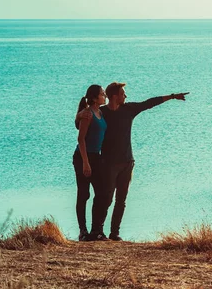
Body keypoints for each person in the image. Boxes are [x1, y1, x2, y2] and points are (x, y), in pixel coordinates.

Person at [78, 82, 188, 241]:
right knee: (105, 198)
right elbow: (82, 123)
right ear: (115, 96)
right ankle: (97, 231)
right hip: (108, 163)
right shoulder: (101, 113)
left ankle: (114, 233)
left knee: (121, 200)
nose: (126, 96)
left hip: (127, 162)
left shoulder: (129, 109)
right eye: (123, 93)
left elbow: (149, 103)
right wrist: (79, 115)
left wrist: (172, 97)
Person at [73, 85, 107, 241]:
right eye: (102, 93)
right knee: (84, 194)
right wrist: (86, 163)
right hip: (83, 157)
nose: (105, 95)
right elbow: (81, 139)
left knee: (101, 194)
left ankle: (96, 230)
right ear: (94, 98)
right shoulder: (87, 114)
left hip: (96, 157)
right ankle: (83, 231)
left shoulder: (100, 112)